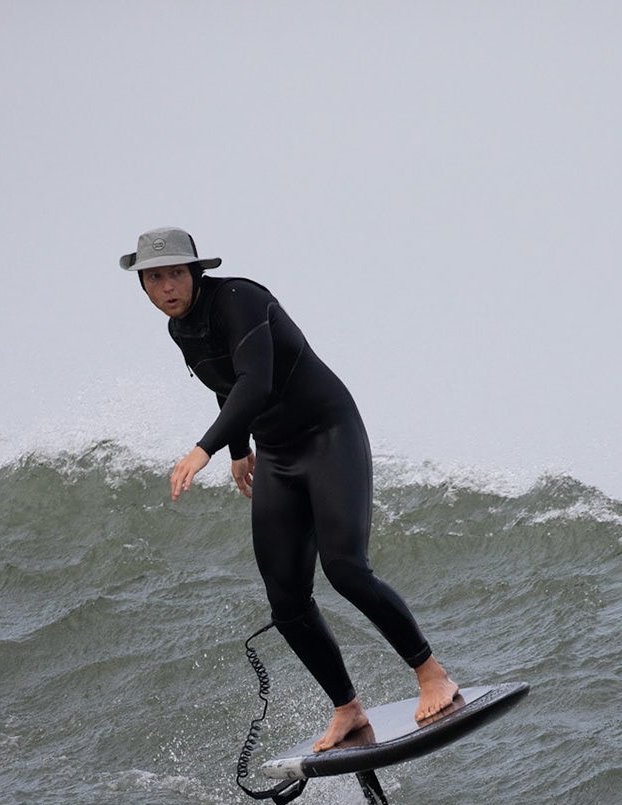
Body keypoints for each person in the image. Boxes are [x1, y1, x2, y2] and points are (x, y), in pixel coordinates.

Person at [123, 226, 458, 752]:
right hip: (277, 453)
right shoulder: (180, 329)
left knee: (345, 569)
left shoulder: (239, 299)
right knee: (286, 601)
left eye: (177, 274)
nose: (168, 286)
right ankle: (347, 709)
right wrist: (239, 449)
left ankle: (432, 674)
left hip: (328, 435)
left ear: (196, 272)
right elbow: (227, 384)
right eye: (156, 277)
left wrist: (205, 448)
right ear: (142, 284)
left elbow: (255, 380)